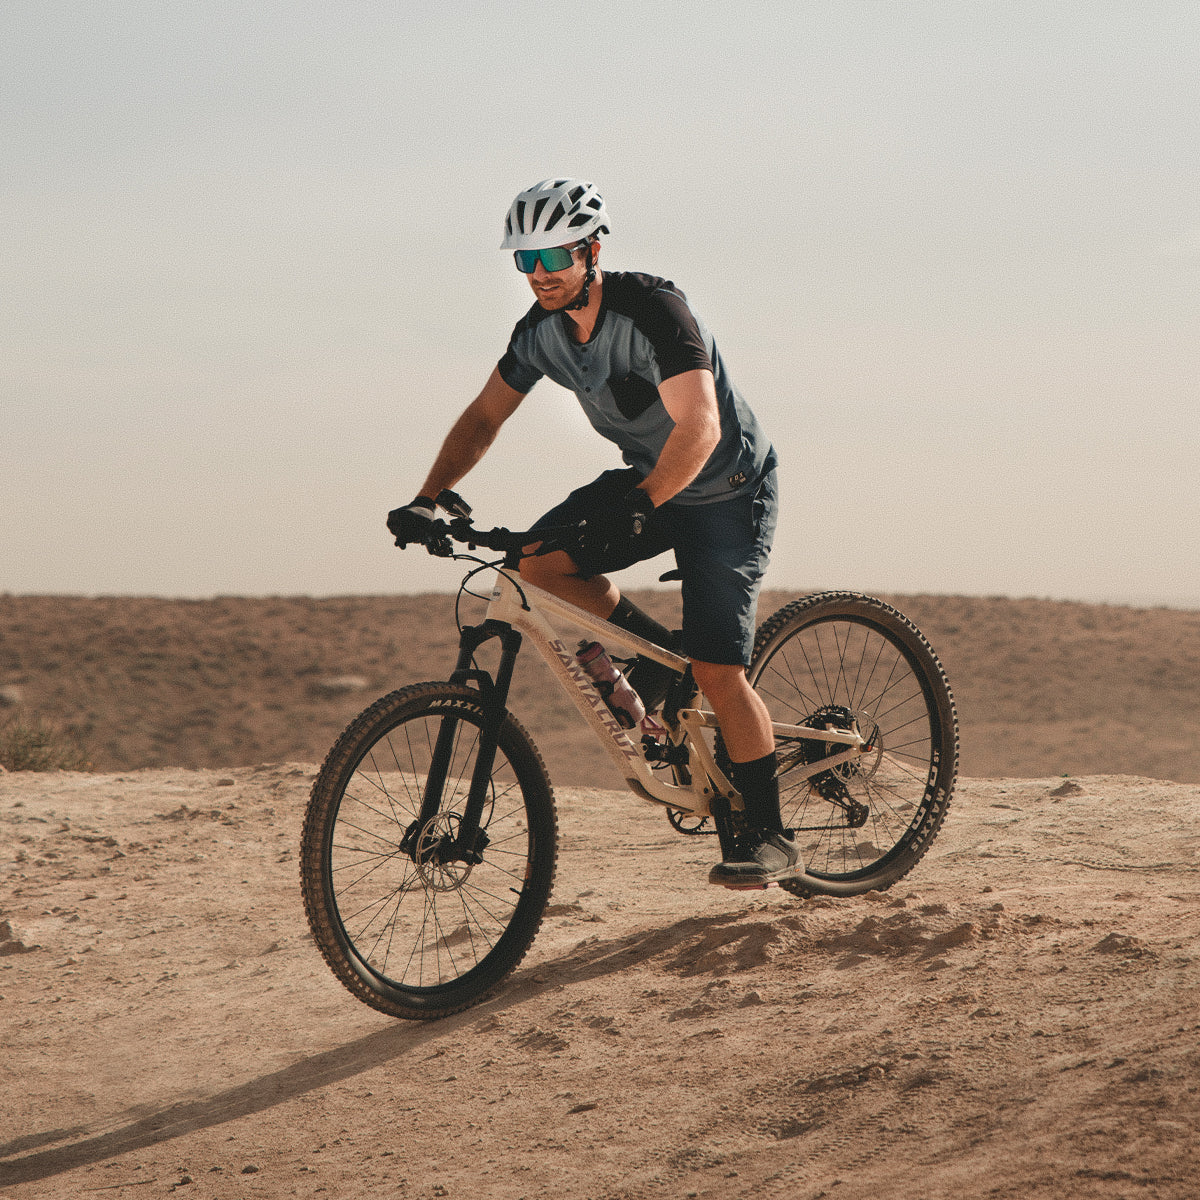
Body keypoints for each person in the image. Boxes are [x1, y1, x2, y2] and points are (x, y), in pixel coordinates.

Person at [387, 177, 797, 886]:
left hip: (727, 490)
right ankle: (660, 662)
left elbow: (701, 422)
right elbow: (485, 417)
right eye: (526, 262)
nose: (541, 276)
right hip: (650, 477)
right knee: (534, 565)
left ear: (591, 250)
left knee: (720, 671)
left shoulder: (654, 310)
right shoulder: (540, 334)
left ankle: (770, 834)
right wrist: (427, 498)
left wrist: (646, 501)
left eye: (555, 259)